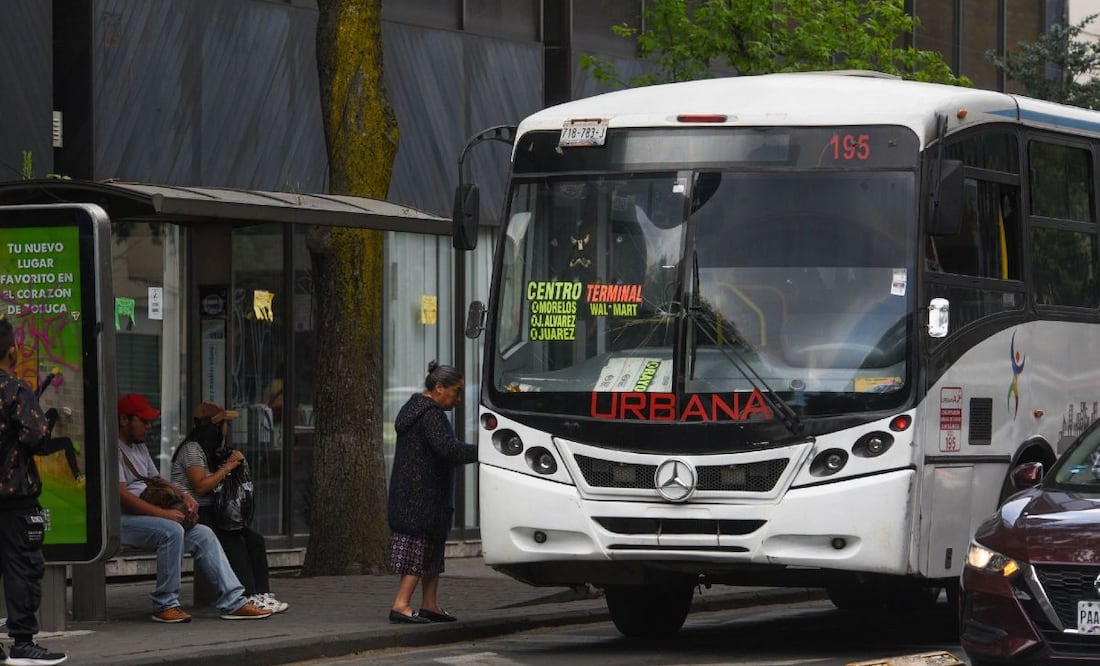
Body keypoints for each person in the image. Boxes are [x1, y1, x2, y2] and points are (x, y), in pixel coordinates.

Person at [117, 393, 273, 623]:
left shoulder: (138, 448)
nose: (149, 427)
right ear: (124, 420)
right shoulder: (113, 449)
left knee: (204, 534)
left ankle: (234, 601)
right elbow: (121, 496)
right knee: (172, 531)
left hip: (153, 515)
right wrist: (165, 514)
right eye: (143, 421)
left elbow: (156, 478)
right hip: (123, 520)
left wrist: (184, 496)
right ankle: (165, 604)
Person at [170, 402, 287, 613]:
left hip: (213, 510)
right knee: (233, 540)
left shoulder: (209, 450)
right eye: (225, 424)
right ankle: (245, 596)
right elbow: (201, 486)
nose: (227, 429)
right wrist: (229, 466)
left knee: (254, 540)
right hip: (195, 512)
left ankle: (261, 593)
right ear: (216, 426)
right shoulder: (192, 450)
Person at [387, 361, 477, 624]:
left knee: (432, 551)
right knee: (420, 550)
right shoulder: (430, 415)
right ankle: (401, 605)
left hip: (417, 496)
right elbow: (447, 448)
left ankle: (429, 604)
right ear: (439, 387)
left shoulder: (417, 411)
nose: (458, 399)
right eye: (456, 391)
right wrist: (484, 451)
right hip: (420, 499)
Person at [0, 318, 68, 665]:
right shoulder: (15, 389)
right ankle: (23, 644)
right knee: (22, 568)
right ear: (11, 350)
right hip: (14, 499)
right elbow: (37, 440)